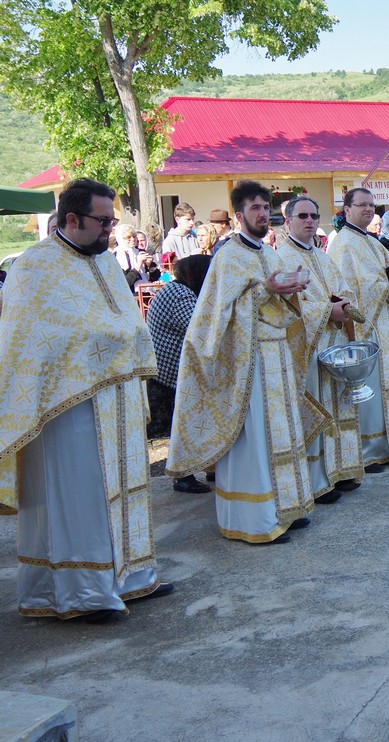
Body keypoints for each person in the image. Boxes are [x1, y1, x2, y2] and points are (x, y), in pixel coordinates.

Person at [0, 177, 173, 622]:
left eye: (112, 221)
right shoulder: (32, 268)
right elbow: (31, 341)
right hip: (67, 405)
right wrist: (111, 339)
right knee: (80, 496)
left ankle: (130, 577)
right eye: (102, 221)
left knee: (122, 492)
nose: (110, 230)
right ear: (72, 218)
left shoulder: (105, 262)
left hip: (116, 398)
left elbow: (124, 321)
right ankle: (83, 594)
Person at [167, 180, 331, 545]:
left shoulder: (270, 255)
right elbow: (217, 315)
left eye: (265, 207)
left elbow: (281, 304)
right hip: (247, 362)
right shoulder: (228, 257)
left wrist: (292, 291)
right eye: (254, 208)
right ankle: (256, 520)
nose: (262, 214)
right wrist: (266, 291)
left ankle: (285, 508)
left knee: (281, 434)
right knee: (255, 438)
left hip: (278, 357)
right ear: (239, 215)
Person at [276, 195, 364, 503]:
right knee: (317, 407)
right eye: (302, 216)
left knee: (339, 404)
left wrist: (345, 304)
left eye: (314, 215)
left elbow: (344, 289)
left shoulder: (324, 257)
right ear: (288, 221)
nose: (310, 221)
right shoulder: (281, 259)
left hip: (334, 342)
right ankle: (317, 481)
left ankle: (340, 469)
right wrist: (328, 311)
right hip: (308, 348)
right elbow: (288, 307)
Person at [326, 188, 389, 471]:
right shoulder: (343, 244)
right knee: (370, 386)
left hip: (383, 321)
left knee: (387, 383)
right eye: (361, 205)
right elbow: (347, 288)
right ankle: (368, 450)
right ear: (347, 209)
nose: (368, 209)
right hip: (365, 327)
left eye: (371, 205)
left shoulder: (371, 241)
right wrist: (386, 288)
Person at [146, 254, 214, 497]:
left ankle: (210, 467)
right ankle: (182, 476)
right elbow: (200, 330)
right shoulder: (180, 295)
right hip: (170, 376)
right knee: (182, 427)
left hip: (167, 372)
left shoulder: (175, 290)